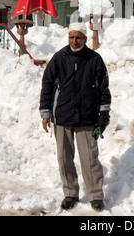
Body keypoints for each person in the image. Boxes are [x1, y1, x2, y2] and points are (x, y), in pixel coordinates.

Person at [39, 22, 111, 212]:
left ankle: (95, 195)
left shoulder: (95, 59)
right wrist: (45, 113)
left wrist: (103, 115)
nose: (74, 41)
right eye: (71, 37)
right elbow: (47, 85)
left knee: (90, 159)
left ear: (85, 39)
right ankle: (70, 193)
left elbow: (104, 89)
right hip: (62, 117)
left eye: (78, 37)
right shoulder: (59, 58)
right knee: (64, 158)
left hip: (87, 118)